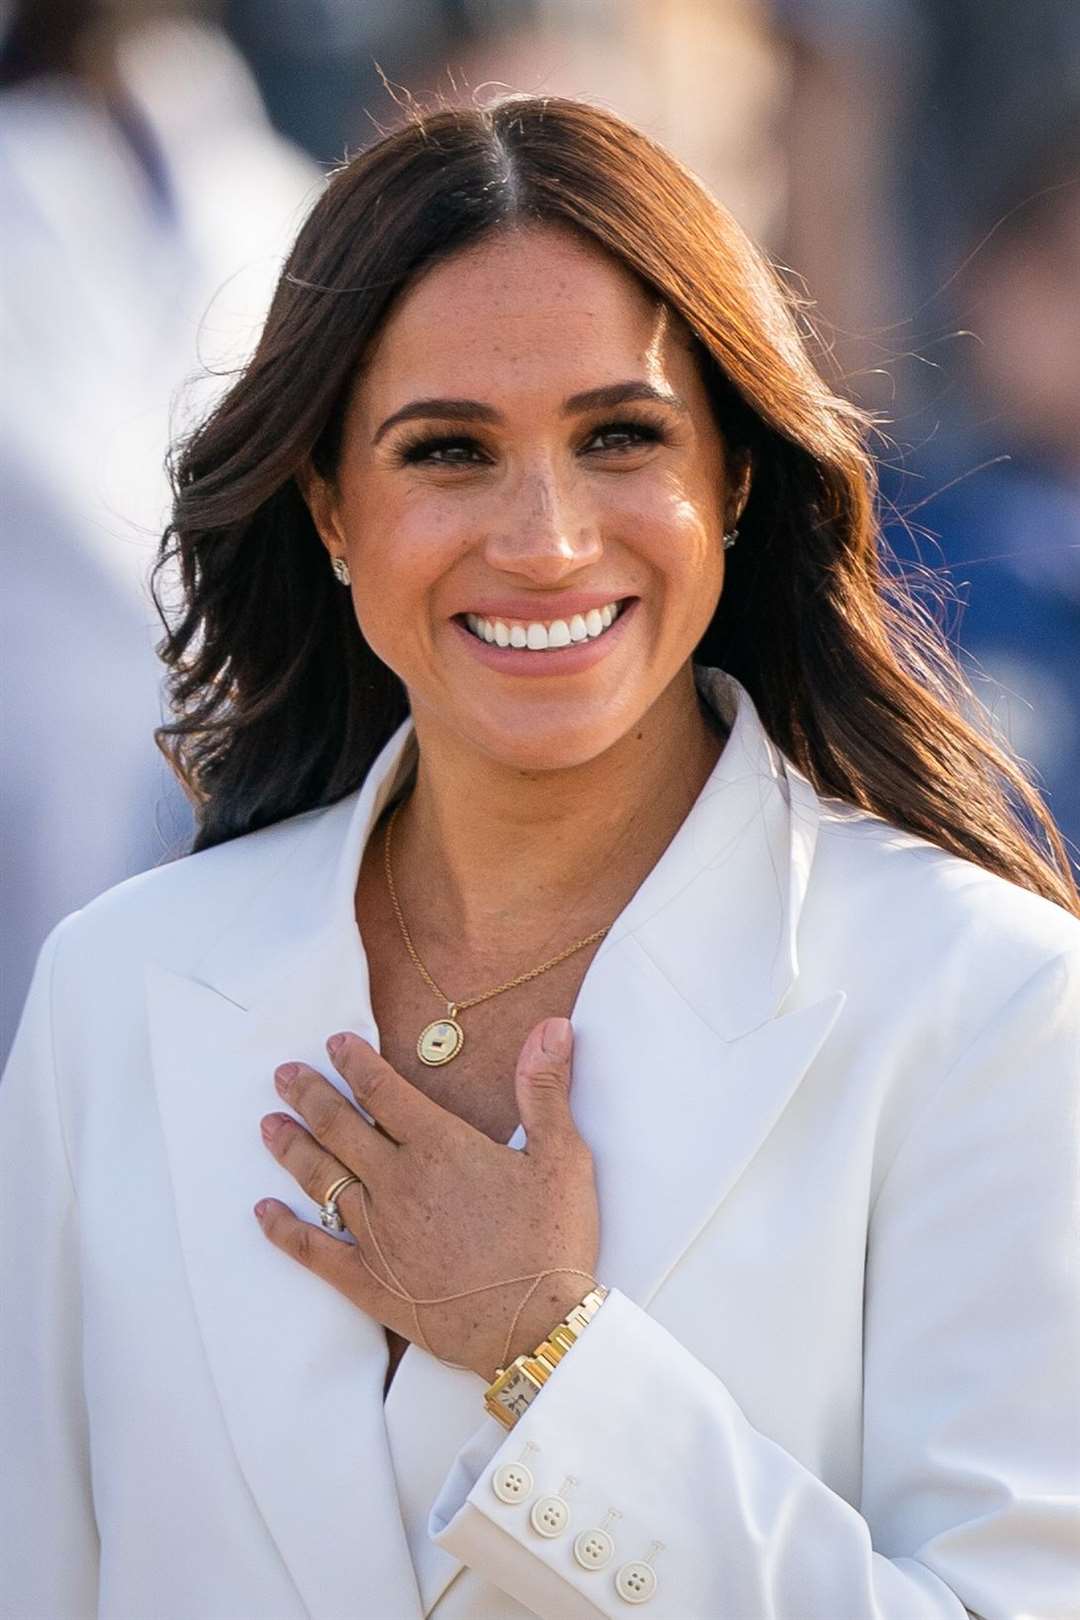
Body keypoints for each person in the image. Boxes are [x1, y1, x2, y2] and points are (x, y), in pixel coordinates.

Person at [2, 96, 1078, 1620]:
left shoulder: (990, 1006)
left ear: (740, 478)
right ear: (326, 504)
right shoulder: (115, 993)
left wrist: (548, 1353)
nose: (547, 539)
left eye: (621, 437)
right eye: (447, 451)